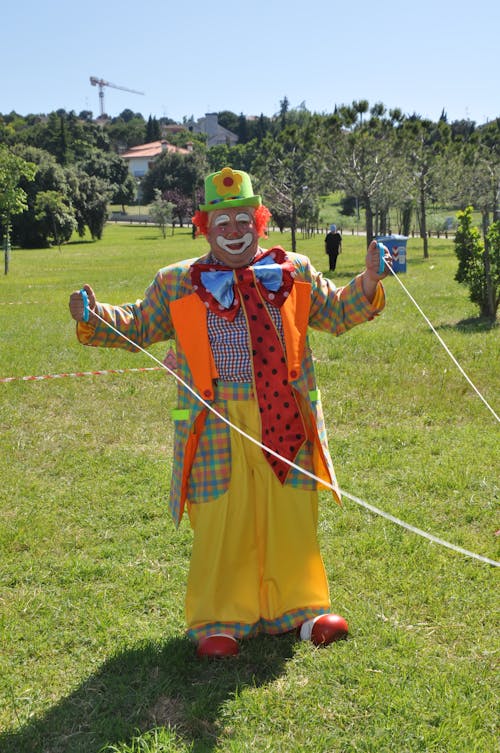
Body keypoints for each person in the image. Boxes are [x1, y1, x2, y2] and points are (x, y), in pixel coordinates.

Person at [69, 167, 390, 658]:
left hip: (284, 412)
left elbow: (339, 311)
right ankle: (221, 619)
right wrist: (94, 316)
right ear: (205, 227)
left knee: (290, 514)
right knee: (223, 517)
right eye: (224, 224)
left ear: (260, 221)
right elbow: (138, 323)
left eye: (244, 219)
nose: (236, 231)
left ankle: (302, 611)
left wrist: (367, 280)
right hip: (214, 417)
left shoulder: (294, 271)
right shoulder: (177, 282)